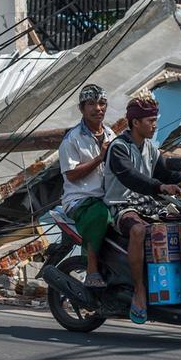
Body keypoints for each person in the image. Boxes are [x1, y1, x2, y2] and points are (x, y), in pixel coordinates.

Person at [103, 94, 181, 324]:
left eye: (155, 119)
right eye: (150, 120)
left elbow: (164, 171)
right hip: (120, 205)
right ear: (135, 123)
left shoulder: (150, 148)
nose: (155, 125)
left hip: (148, 205)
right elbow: (132, 178)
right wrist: (161, 186)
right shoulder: (119, 148)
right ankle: (139, 291)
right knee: (139, 230)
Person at [58, 84, 114, 288]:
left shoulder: (110, 135)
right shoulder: (72, 139)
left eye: (101, 103)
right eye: (91, 104)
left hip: (107, 198)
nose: (98, 108)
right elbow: (71, 175)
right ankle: (91, 270)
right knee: (100, 215)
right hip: (80, 201)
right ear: (82, 108)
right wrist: (100, 158)